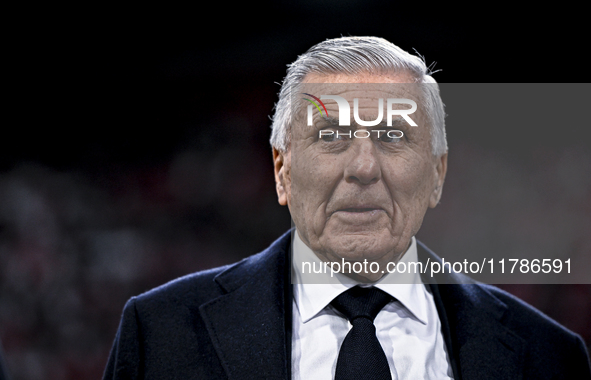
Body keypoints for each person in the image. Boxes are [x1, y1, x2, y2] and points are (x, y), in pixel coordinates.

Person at [103, 36, 591, 379]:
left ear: (437, 174)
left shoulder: (550, 356)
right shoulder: (160, 333)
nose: (363, 167)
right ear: (282, 169)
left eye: (393, 136)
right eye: (330, 136)